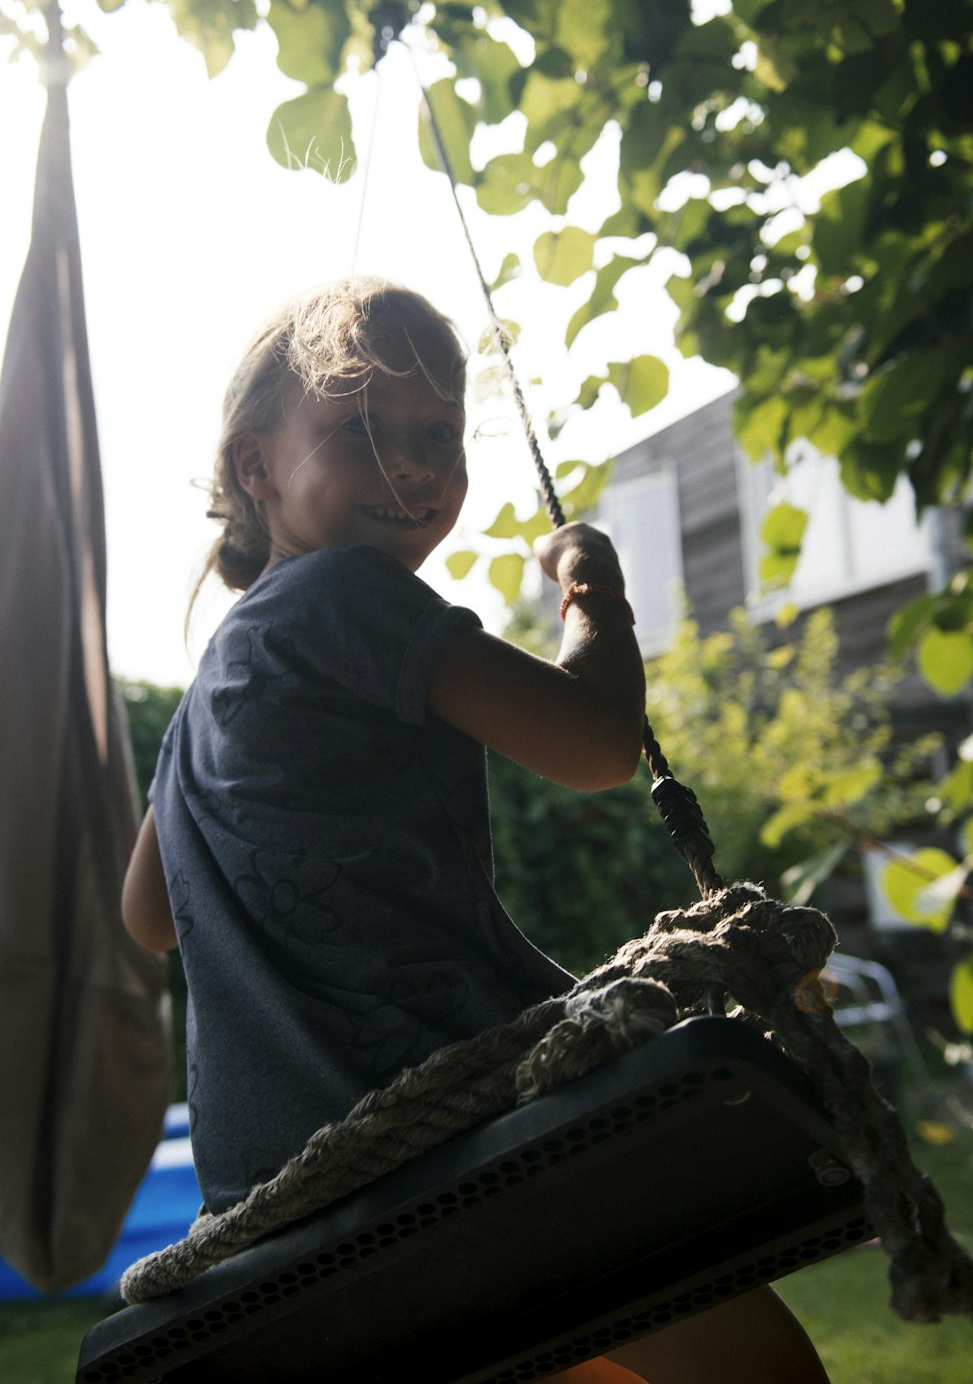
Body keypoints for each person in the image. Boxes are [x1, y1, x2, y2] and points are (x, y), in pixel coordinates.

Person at [122, 277, 828, 1383]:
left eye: (438, 434)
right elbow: (595, 745)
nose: (413, 464)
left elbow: (149, 918)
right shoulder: (345, 593)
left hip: (279, 1200)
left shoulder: (208, 691)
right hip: (456, 1148)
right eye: (363, 429)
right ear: (257, 466)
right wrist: (590, 581)